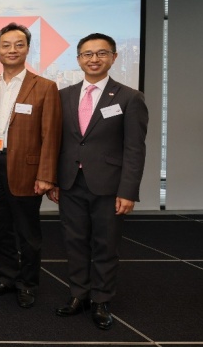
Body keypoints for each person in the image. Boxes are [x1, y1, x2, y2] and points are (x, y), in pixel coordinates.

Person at [48, 33, 148, 330]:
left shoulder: (129, 97)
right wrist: (54, 180)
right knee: (74, 242)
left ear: (113, 57)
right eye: (87, 54)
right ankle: (78, 295)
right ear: (78, 59)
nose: (94, 59)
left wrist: (128, 190)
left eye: (101, 53)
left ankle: (102, 299)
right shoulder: (63, 95)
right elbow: (56, 142)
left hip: (109, 185)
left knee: (106, 244)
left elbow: (134, 148)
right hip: (70, 182)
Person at [0, 23, 62, 308]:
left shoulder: (45, 87)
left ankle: (27, 283)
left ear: (27, 49)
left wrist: (47, 175)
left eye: (18, 44)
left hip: (26, 169)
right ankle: (6, 276)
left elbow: (51, 135)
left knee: (28, 232)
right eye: (6, 45)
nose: (12, 50)